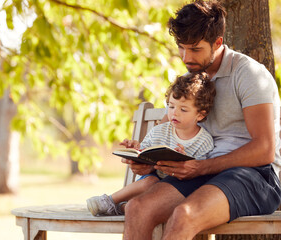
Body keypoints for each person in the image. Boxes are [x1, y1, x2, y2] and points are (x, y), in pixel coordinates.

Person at [122, 1, 281, 240]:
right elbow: (168, 130)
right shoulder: (190, 80)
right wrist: (147, 159)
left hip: (254, 175)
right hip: (201, 169)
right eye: (181, 48)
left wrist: (202, 167)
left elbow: (265, 150)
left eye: (195, 49)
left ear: (217, 43)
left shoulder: (249, 74)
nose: (186, 57)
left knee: (184, 215)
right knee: (138, 209)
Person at [86, 72, 216, 216]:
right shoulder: (160, 131)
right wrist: (136, 149)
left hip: (179, 191)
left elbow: (202, 173)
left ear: (200, 114)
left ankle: (120, 208)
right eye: (171, 107)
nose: (174, 114)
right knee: (151, 182)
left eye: (183, 109)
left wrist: (185, 160)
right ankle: (109, 201)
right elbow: (145, 150)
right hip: (150, 183)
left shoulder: (204, 140)